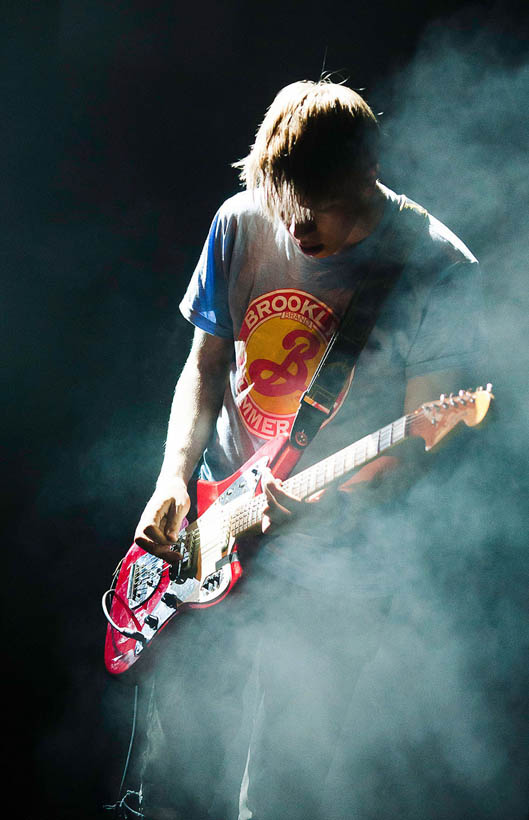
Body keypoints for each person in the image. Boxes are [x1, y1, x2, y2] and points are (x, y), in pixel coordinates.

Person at [133, 80, 485, 820]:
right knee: (164, 775)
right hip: (209, 522)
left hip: (339, 557)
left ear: (361, 179)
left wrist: (330, 512)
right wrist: (171, 477)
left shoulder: (434, 268)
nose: (289, 227)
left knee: (276, 788)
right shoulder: (239, 221)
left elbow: (422, 441)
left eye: (310, 211)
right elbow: (204, 366)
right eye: (278, 205)